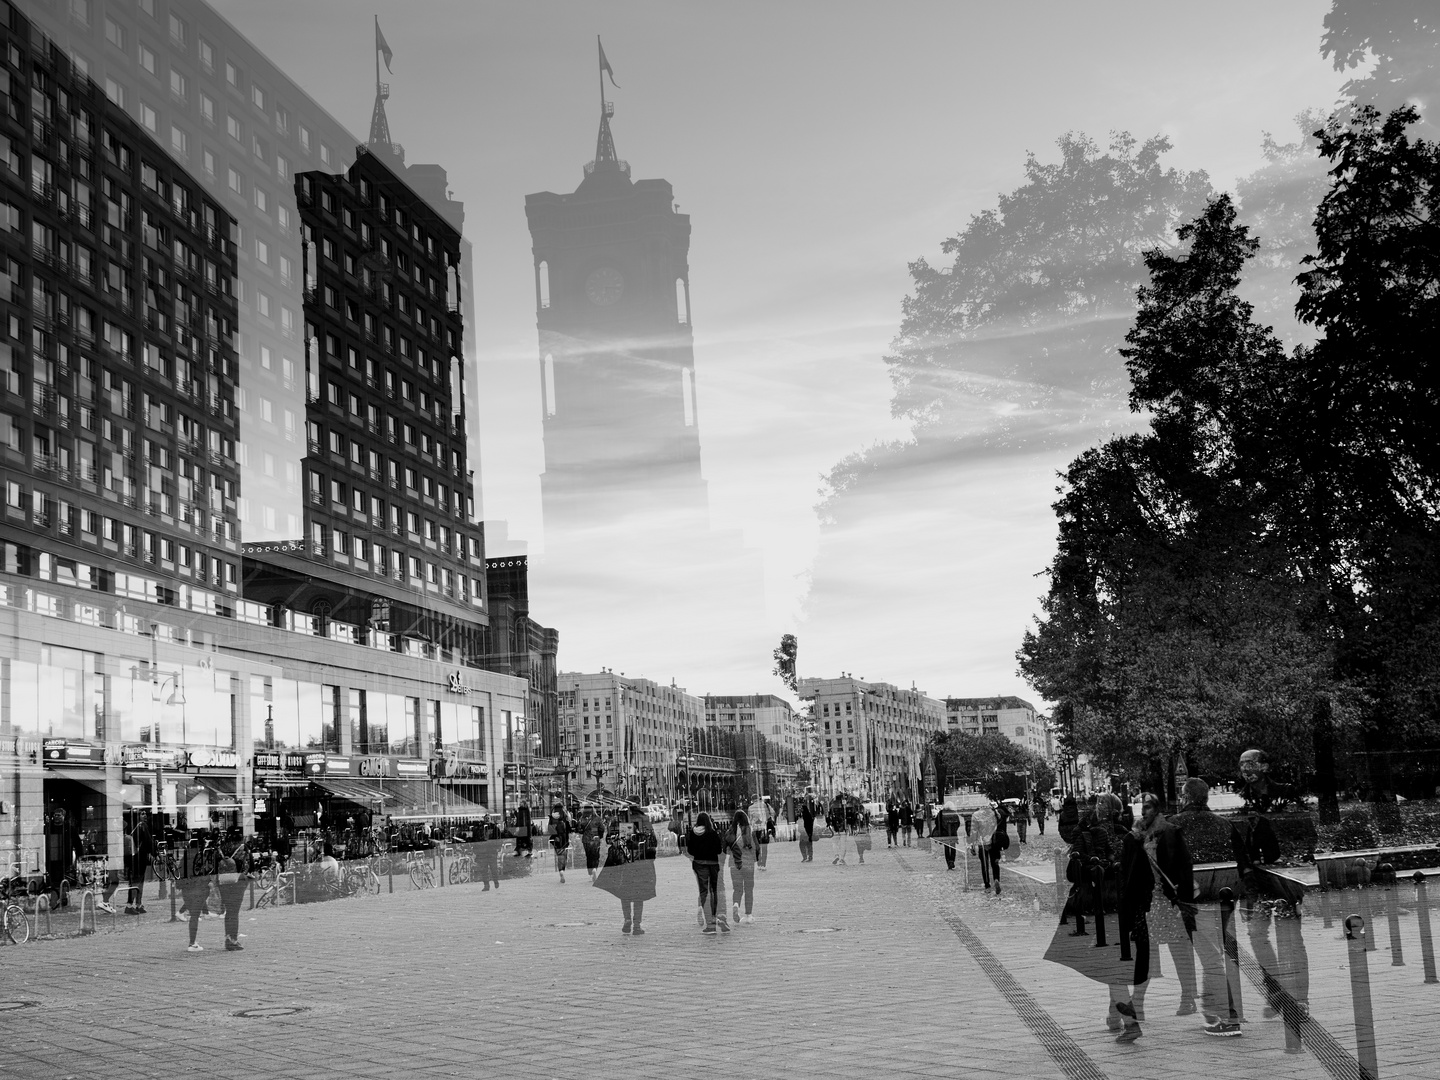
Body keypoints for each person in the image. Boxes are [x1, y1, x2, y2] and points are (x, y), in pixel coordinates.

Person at [594, 801, 658, 935]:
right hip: (641, 862)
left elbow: (609, 839)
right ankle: (637, 925)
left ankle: (627, 919)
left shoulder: (619, 820)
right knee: (639, 894)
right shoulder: (643, 819)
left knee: (625, 892)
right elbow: (653, 841)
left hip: (624, 863)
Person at [684, 811, 728, 934]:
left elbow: (690, 850)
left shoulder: (692, 834)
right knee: (714, 890)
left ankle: (709, 923)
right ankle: (715, 916)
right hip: (713, 864)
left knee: (704, 891)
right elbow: (719, 850)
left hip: (699, 864)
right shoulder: (712, 833)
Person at [177, 839, 215, 953]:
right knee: (195, 916)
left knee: (193, 916)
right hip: (198, 889)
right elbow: (205, 873)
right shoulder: (200, 858)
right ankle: (192, 943)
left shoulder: (184, 859)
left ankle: (192, 942)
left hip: (186, 890)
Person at [216, 827, 250, 952]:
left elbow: (215, 865)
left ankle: (228, 938)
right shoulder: (242, 848)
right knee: (234, 912)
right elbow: (246, 866)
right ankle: (233, 940)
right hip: (236, 884)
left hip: (223, 883)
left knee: (229, 911)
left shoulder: (221, 848)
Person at [727, 810, 762, 925]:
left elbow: (725, 849)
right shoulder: (750, 831)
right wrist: (755, 860)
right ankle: (748, 915)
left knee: (737, 889)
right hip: (748, 865)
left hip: (734, 864)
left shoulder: (730, 832)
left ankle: (736, 904)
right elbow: (757, 848)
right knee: (748, 889)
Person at [124, 813, 154, 914]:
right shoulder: (142, 826)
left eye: (145, 813)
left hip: (133, 857)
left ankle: (137, 904)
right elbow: (148, 841)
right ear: (138, 816)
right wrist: (153, 852)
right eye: (142, 813)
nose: (145, 815)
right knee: (138, 881)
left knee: (137, 881)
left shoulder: (133, 827)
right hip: (139, 857)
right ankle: (131, 905)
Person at [932, 800, 962, 870]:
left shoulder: (941, 813)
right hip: (953, 834)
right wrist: (954, 830)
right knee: (953, 848)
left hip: (944, 833)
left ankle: (948, 862)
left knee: (946, 848)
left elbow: (936, 822)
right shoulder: (954, 813)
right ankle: (952, 861)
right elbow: (958, 823)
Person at [548, 804, 571, 884]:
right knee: (564, 856)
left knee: (559, 856)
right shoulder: (565, 816)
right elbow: (569, 828)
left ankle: (560, 870)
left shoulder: (552, 817)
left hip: (555, 839)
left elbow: (550, 830)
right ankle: (562, 870)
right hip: (564, 839)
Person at [582, 809, 605, 879]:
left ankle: (590, 872)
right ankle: (594, 869)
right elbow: (602, 828)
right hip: (595, 839)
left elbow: (579, 828)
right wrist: (600, 836)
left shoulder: (583, 819)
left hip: (586, 840)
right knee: (595, 856)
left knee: (589, 856)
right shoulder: (597, 819)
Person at [799, 795, 816, 863]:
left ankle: (807, 857)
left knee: (805, 845)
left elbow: (808, 825)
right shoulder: (806, 816)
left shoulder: (806, 817)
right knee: (807, 845)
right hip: (806, 833)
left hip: (806, 833)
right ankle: (808, 857)